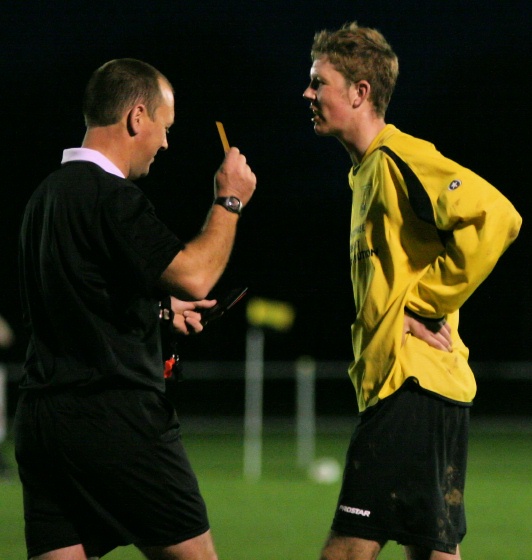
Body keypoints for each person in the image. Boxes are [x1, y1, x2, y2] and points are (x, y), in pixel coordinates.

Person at [15, 58, 256, 560]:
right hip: (115, 415)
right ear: (137, 117)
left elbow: (82, 301)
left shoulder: (44, 198)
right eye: (164, 129)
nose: (165, 144)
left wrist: (162, 313)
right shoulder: (112, 196)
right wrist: (228, 201)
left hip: (42, 422)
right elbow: (195, 273)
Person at [302, 22, 521, 560]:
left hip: (412, 389)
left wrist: (425, 303)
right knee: (433, 552)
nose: (307, 94)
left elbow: (497, 216)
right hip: (426, 389)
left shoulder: (398, 157)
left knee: (349, 547)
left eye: (318, 82)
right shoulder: (364, 175)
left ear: (360, 93)